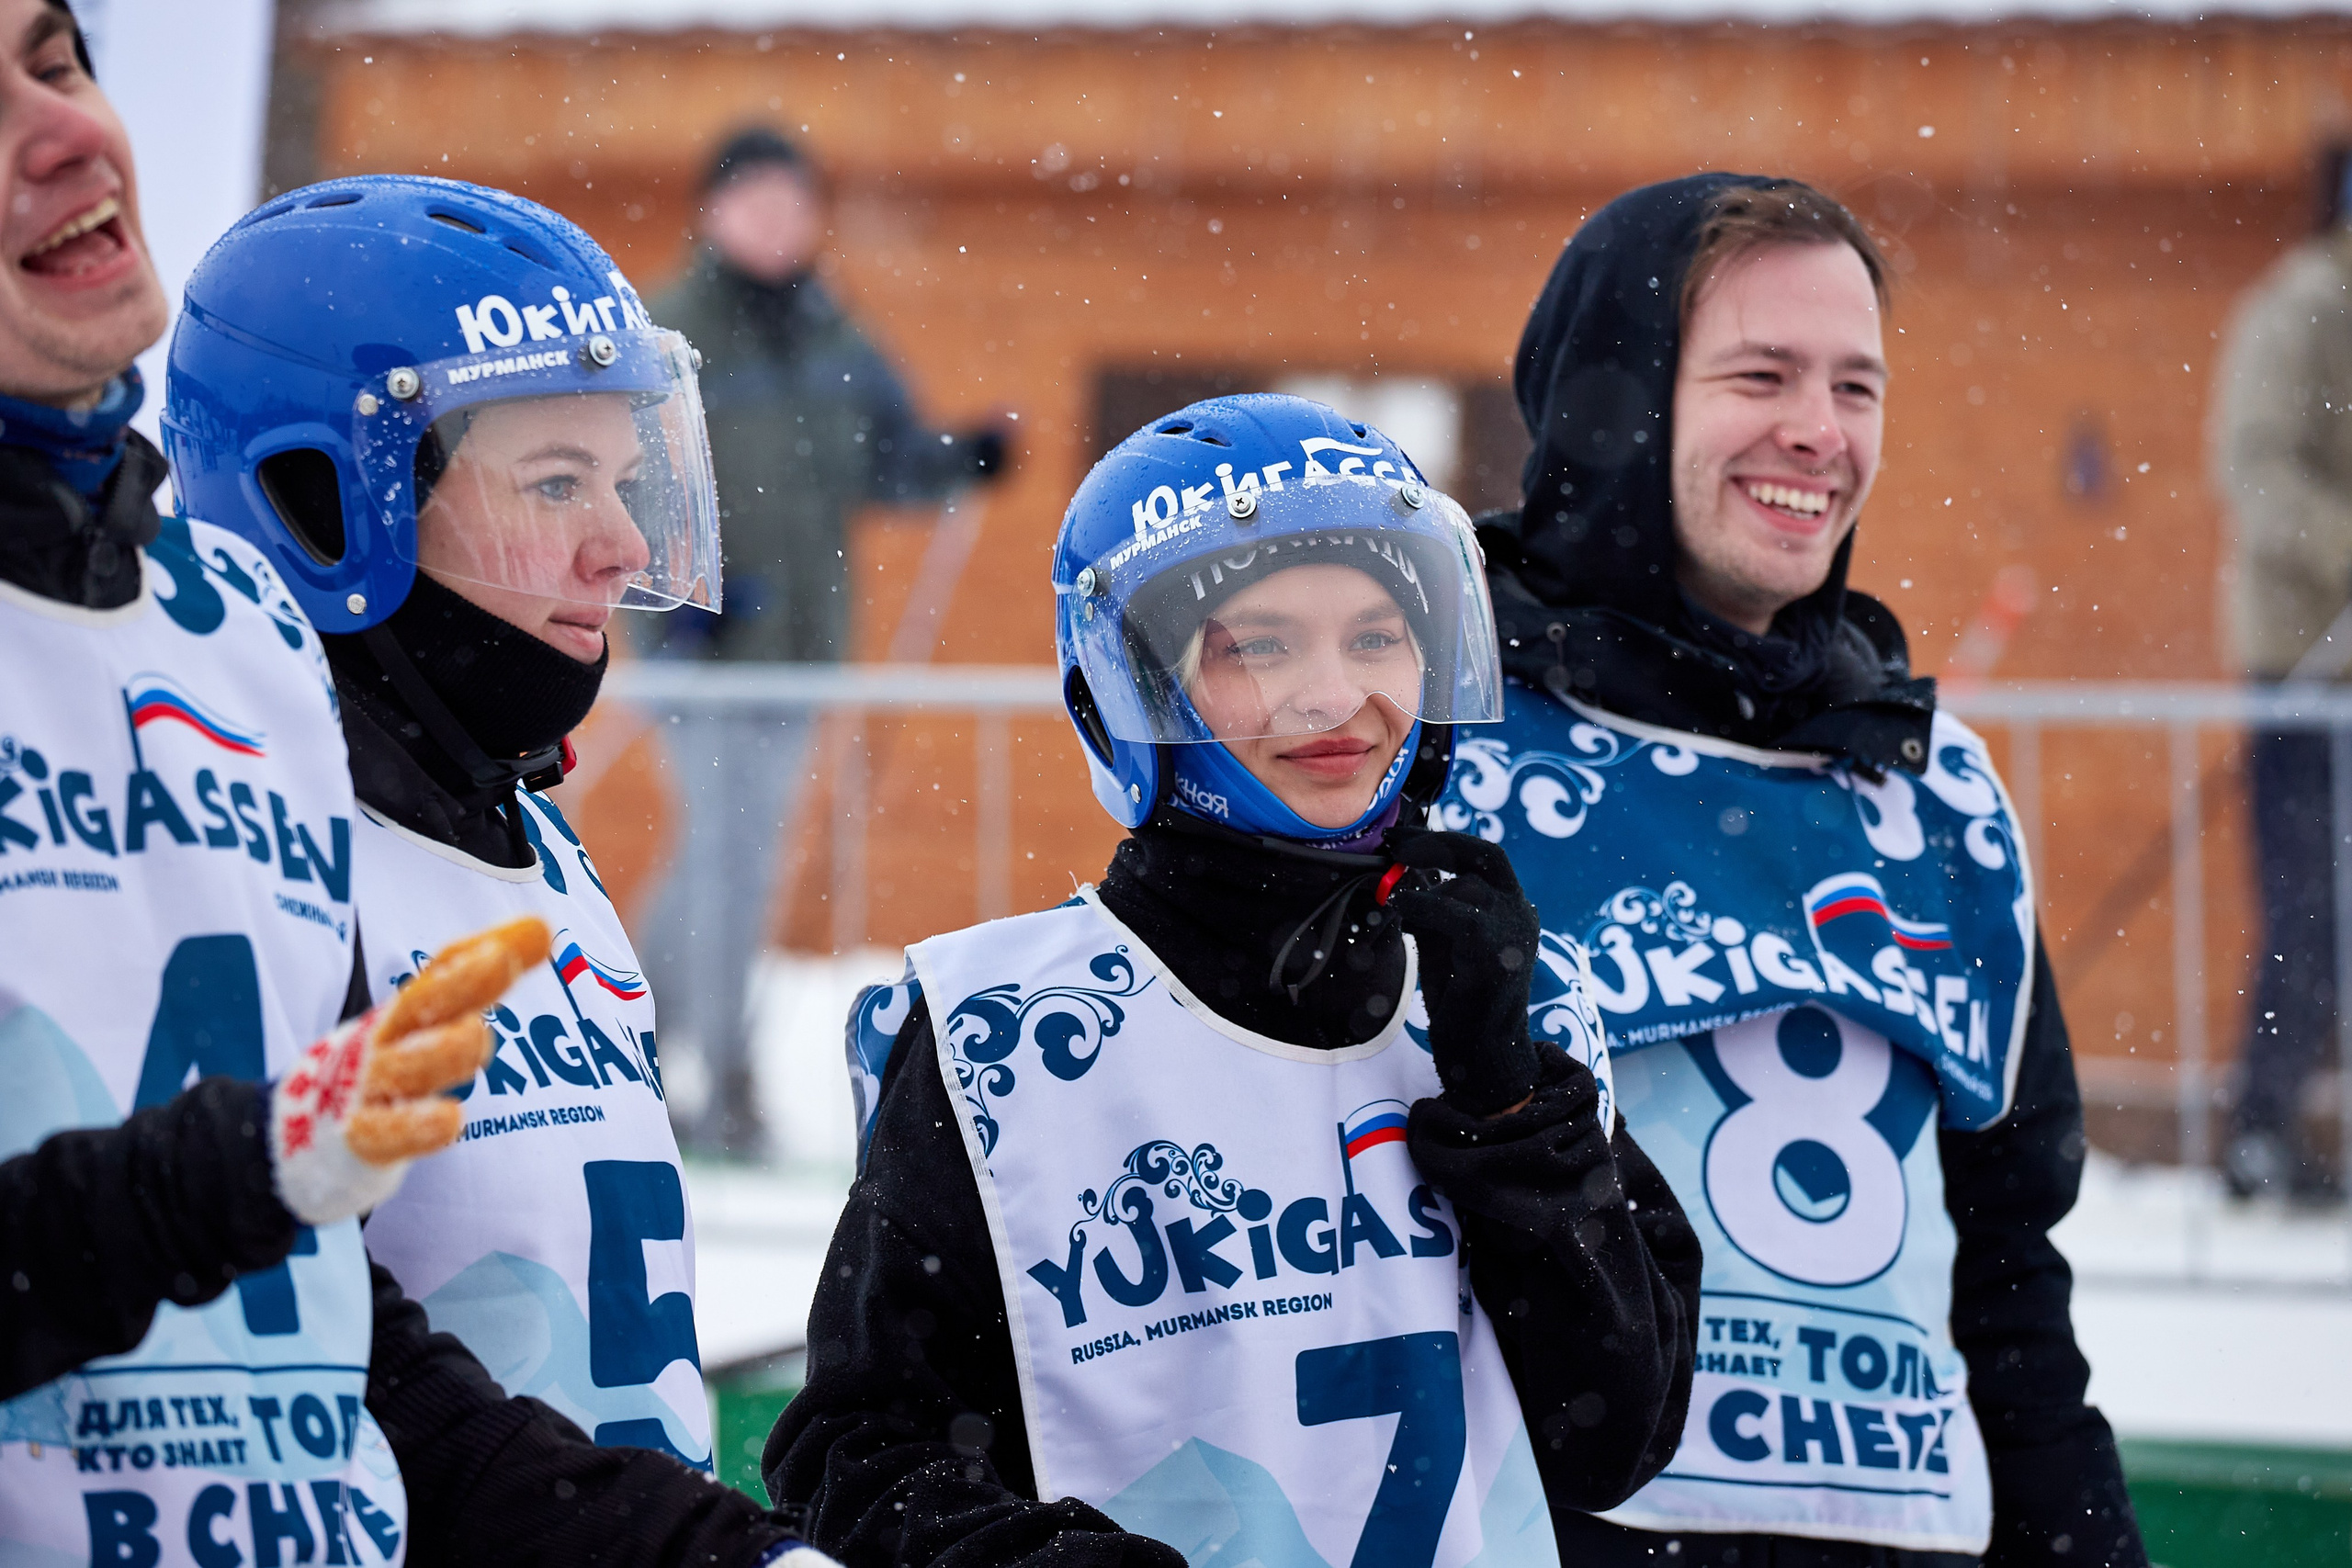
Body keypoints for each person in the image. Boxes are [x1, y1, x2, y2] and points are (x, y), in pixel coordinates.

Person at [766, 393, 1702, 1566]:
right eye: (1256, 645)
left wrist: (1511, 1114)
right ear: (1128, 690)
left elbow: (1615, 1439)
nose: (1332, 699)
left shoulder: (1524, 998)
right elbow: (853, 1457)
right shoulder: (994, 1033)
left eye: (1375, 636)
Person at [1453, 175, 2145, 1565]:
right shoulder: (1436, 748)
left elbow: (2010, 1276)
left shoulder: (1935, 789)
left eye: (1856, 386)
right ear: (1616, 400)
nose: (1819, 433)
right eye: (1759, 374)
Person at [165, 174, 729, 1472]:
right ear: (322, 504)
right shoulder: (265, 868)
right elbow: (345, 1377)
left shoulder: (534, 830)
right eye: (552, 484)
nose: (617, 542)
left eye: (625, 480)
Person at [639, 124, 1012, 1155]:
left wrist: (961, 458)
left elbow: (887, 461)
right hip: (702, 654)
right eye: (756, 201)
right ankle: (722, 1083)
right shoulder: (670, 334)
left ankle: (638, 1044)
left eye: (793, 204)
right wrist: (684, 594)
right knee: (727, 859)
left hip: (803, 648)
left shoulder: (835, 340)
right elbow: (627, 479)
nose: (777, 223)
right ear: (714, 211)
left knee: (726, 859)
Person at [2210, 141, 2352, 1203]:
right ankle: (2259, 1129)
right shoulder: (2302, 303)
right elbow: (2252, 465)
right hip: (2306, 664)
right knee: (2308, 909)